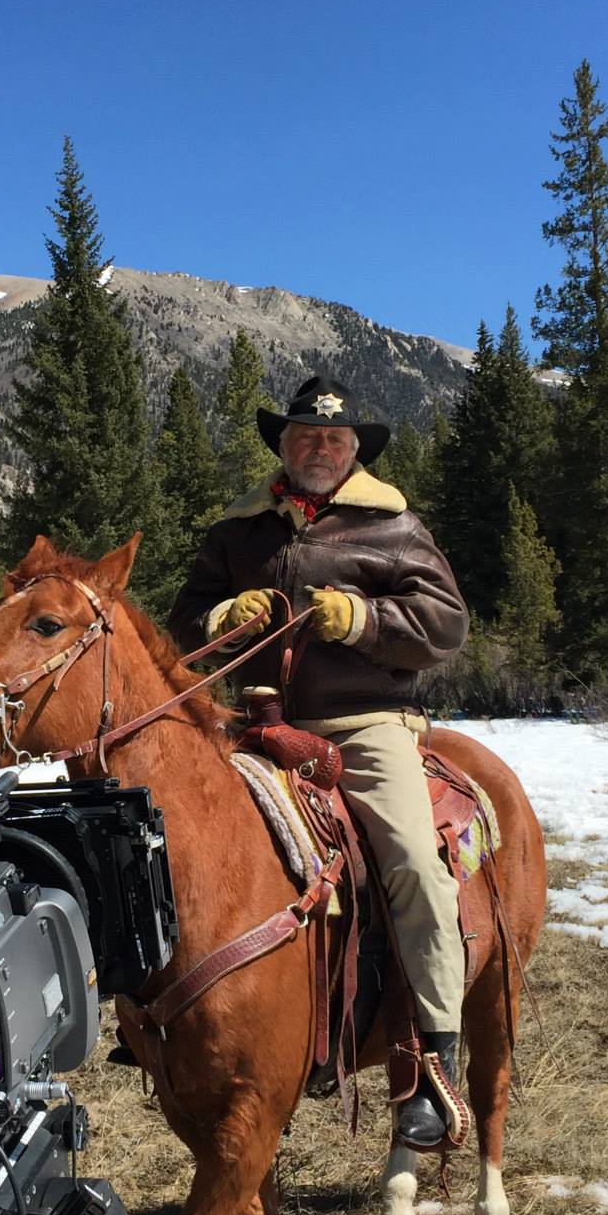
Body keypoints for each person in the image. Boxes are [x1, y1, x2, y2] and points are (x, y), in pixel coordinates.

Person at [169, 374, 472, 1149]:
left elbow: (445, 623)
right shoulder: (238, 532)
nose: (319, 448)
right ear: (283, 445)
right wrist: (220, 615)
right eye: (305, 436)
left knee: (409, 857)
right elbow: (178, 629)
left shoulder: (395, 525)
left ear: (353, 451)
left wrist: (364, 619)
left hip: (365, 725)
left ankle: (436, 1058)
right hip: (258, 722)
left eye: (333, 439)